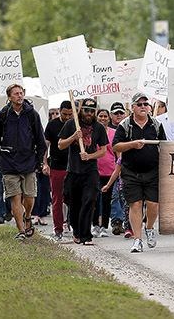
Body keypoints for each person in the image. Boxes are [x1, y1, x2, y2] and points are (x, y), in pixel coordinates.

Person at [0, 84, 48, 241]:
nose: (20, 96)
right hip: (9, 162)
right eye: (16, 94)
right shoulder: (3, 115)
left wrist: (40, 161)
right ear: (10, 97)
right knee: (15, 197)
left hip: (28, 162)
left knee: (29, 197)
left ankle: (27, 217)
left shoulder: (32, 114)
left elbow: (40, 140)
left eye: (21, 93)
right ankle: (20, 230)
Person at [112, 93, 167, 253]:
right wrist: (132, 145)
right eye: (140, 104)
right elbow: (116, 146)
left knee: (153, 205)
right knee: (135, 205)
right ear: (133, 107)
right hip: (131, 171)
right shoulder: (125, 125)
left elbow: (164, 145)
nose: (143, 107)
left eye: (146, 104)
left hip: (153, 171)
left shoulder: (156, 124)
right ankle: (137, 239)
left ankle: (149, 228)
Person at [58, 98, 108, 246]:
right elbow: (60, 145)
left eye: (92, 111)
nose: (89, 113)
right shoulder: (71, 124)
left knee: (89, 201)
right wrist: (73, 137)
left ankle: (86, 235)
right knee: (74, 204)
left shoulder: (98, 127)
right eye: (87, 110)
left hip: (90, 171)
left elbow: (103, 150)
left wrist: (89, 156)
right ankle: (76, 231)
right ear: (81, 110)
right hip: (74, 170)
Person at [44, 101, 73, 239]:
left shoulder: (75, 125)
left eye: (69, 114)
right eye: (64, 114)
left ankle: (72, 223)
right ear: (59, 111)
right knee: (57, 198)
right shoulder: (52, 125)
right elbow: (46, 145)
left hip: (74, 166)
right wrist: (44, 163)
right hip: (56, 166)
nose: (67, 117)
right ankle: (58, 228)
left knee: (74, 198)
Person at [93, 108, 117, 238]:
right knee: (95, 199)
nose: (103, 118)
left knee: (107, 200)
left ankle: (104, 227)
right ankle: (95, 225)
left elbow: (117, 152)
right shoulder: (92, 132)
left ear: (109, 118)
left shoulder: (114, 133)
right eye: (100, 116)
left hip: (110, 170)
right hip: (94, 170)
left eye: (105, 116)